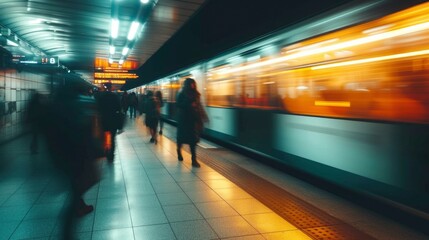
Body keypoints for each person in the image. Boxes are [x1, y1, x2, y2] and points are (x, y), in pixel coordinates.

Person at [42, 79, 103, 240]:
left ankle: (79, 206)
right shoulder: (76, 106)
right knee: (77, 189)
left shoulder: (54, 106)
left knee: (75, 187)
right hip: (76, 157)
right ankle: (68, 231)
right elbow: (82, 133)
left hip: (62, 158)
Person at [176, 78, 208, 168]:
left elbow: (199, 106)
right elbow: (178, 105)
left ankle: (194, 160)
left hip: (194, 120)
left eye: (193, 84)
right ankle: (178, 150)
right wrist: (189, 104)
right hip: (184, 120)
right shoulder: (181, 94)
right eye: (191, 84)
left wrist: (204, 116)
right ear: (187, 85)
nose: (193, 85)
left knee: (193, 141)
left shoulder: (196, 94)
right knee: (181, 139)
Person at [96, 83, 122, 162]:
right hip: (113, 119)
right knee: (112, 138)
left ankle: (106, 150)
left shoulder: (101, 96)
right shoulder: (114, 96)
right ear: (111, 87)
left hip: (103, 119)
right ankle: (112, 154)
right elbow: (119, 107)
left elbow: (97, 107)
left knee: (104, 136)